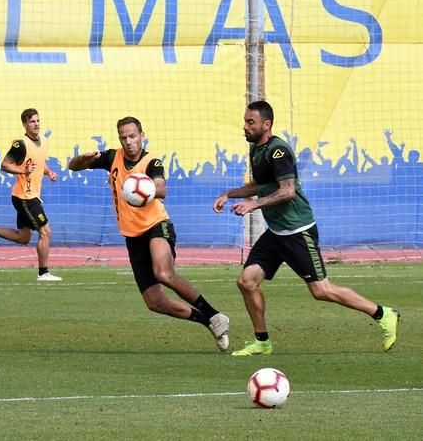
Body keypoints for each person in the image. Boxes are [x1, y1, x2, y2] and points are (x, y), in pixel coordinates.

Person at [213, 100, 400, 356]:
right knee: (247, 282)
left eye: (250, 122)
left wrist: (253, 205)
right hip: (277, 232)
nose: (245, 127)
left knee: (321, 290)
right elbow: (261, 184)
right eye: (245, 121)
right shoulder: (257, 150)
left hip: (297, 231)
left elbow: (287, 192)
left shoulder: (278, 151)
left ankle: (383, 314)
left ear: (266, 125)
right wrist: (229, 194)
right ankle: (262, 342)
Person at [68, 117, 230, 351]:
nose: (128, 142)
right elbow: (73, 167)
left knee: (163, 273)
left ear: (142, 135)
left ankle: (213, 313)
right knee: (154, 302)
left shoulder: (151, 162)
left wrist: (147, 190)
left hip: (157, 225)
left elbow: (161, 187)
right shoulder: (113, 157)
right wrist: (82, 160)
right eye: (123, 137)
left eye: (132, 136)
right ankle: (210, 321)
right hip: (133, 236)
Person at [0, 108, 62, 282]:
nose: (36, 124)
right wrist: (22, 170)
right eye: (32, 121)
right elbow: (4, 165)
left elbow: (40, 161)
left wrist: (49, 172)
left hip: (30, 196)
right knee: (45, 231)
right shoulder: (20, 144)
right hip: (25, 197)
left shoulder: (44, 140)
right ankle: (43, 273)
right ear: (25, 124)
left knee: (23, 237)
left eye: (38, 120)